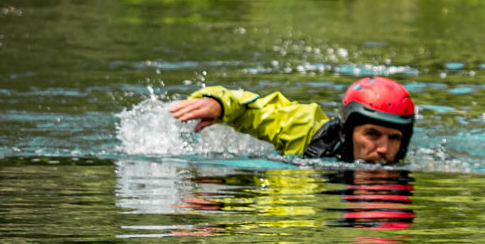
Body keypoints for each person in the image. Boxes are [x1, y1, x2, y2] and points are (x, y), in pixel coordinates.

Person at [168, 74, 416, 163]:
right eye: (371, 134)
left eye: (394, 138)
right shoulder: (306, 129)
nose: (384, 149)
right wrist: (218, 103)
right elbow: (252, 109)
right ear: (348, 132)